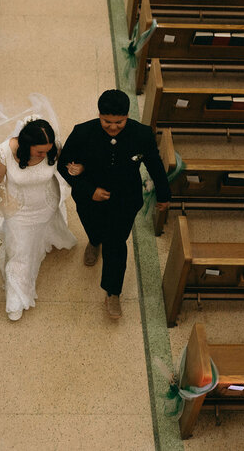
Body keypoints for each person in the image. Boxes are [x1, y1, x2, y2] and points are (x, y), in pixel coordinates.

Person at [58, 89, 170, 319]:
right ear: (99, 115)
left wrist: (164, 195)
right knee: (93, 228)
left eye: (119, 122)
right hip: (89, 199)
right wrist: (89, 190)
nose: (112, 127)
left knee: (117, 244)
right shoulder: (82, 132)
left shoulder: (142, 134)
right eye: (107, 121)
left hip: (125, 200)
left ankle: (113, 293)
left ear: (127, 116)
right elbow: (63, 165)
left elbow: (155, 166)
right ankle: (93, 241)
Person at [0, 115, 77, 321]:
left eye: (47, 151)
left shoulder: (51, 149)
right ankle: (15, 298)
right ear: (25, 145)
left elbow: (64, 164)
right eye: (39, 151)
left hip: (47, 204)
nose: (44, 155)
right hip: (19, 212)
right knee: (19, 252)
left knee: (41, 234)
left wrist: (75, 169)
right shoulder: (4, 153)